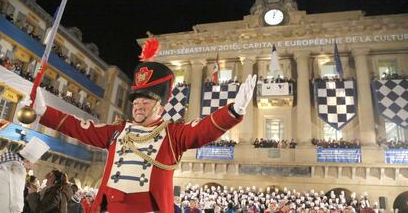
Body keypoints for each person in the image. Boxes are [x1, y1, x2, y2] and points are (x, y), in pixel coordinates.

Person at [28, 38, 256, 212]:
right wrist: (44, 112)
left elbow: (202, 130)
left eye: (146, 102)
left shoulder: (172, 134)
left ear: (160, 106)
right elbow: (80, 128)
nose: (138, 106)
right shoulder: (117, 131)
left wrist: (233, 110)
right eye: (136, 101)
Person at [0, 137, 50, 213]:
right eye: (31, 164)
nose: (30, 167)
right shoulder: (19, 168)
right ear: (27, 160)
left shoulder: (1, 163)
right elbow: (16, 197)